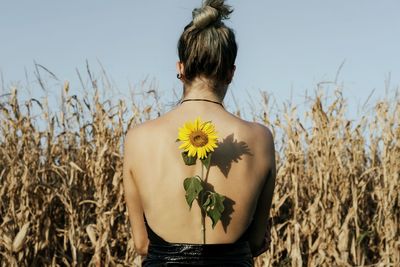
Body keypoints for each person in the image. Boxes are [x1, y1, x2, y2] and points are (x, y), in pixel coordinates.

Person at [123, 0, 276, 265]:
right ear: (230, 73)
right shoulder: (260, 139)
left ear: (180, 69)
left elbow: (141, 244)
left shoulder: (138, 138)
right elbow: (254, 242)